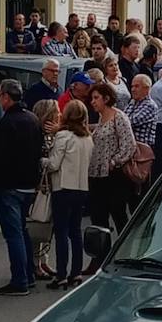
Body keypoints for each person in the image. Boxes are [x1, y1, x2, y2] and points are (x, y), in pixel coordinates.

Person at [0, 80, 44, 296]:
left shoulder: (6, 123)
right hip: (28, 184)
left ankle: (20, 279)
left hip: (9, 185)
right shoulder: (32, 119)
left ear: (6, 97)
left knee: (13, 234)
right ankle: (28, 274)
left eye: (0, 95)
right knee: (21, 231)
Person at [44, 99, 92, 289]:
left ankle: (61, 274)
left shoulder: (63, 135)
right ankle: (76, 272)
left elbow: (54, 164)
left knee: (61, 232)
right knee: (75, 231)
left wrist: (43, 160)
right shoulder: (88, 138)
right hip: (82, 188)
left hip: (63, 187)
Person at [86, 82, 136, 263]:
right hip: (97, 176)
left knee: (118, 215)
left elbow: (129, 145)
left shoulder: (119, 117)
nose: (93, 102)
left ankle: (127, 254)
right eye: (92, 98)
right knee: (98, 218)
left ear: (106, 98)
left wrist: (114, 162)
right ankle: (100, 258)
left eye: (96, 98)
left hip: (115, 177)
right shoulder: (100, 119)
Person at [32, 98, 60, 280]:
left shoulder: (56, 133)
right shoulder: (37, 134)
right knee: (38, 223)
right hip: (41, 184)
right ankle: (35, 263)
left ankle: (44, 261)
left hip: (52, 183)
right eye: (56, 112)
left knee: (47, 225)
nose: (60, 114)